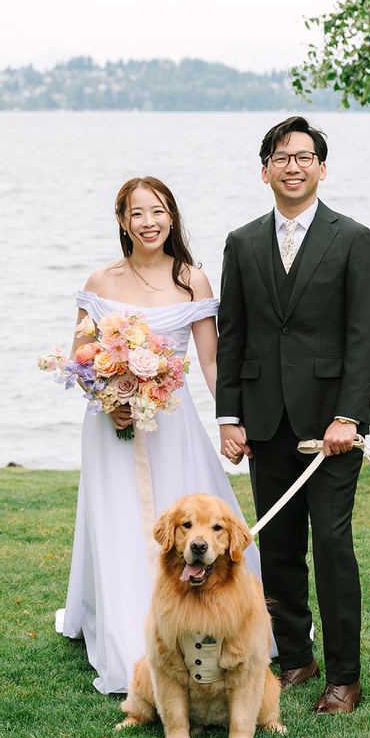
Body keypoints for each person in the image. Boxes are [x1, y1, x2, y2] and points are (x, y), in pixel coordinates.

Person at [56, 176, 260, 694]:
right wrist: (109, 400)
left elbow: (210, 363)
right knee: (119, 519)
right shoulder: (101, 282)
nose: (149, 222)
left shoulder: (192, 279)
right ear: (123, 221)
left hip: (172, 423)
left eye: (159, 211)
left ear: (172, 216)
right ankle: (132, 635)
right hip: (111, 427)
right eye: (137, 213)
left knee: (182, 518)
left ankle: (204, 623)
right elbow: (79, 358)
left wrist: (229, 420)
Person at [216, 117, 370, 714]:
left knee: (333, 543)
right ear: (265, 170)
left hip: (330, 429)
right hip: (265, 419)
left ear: (321, 167)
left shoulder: (352, 238)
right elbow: (232, 334)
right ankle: (295, 659)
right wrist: (230, 417)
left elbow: (365, 337)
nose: (293, 166)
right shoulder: (241, 242)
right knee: (279, 547)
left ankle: (344, 675)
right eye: (281, 157)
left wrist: (350, 417)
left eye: (304, 157)